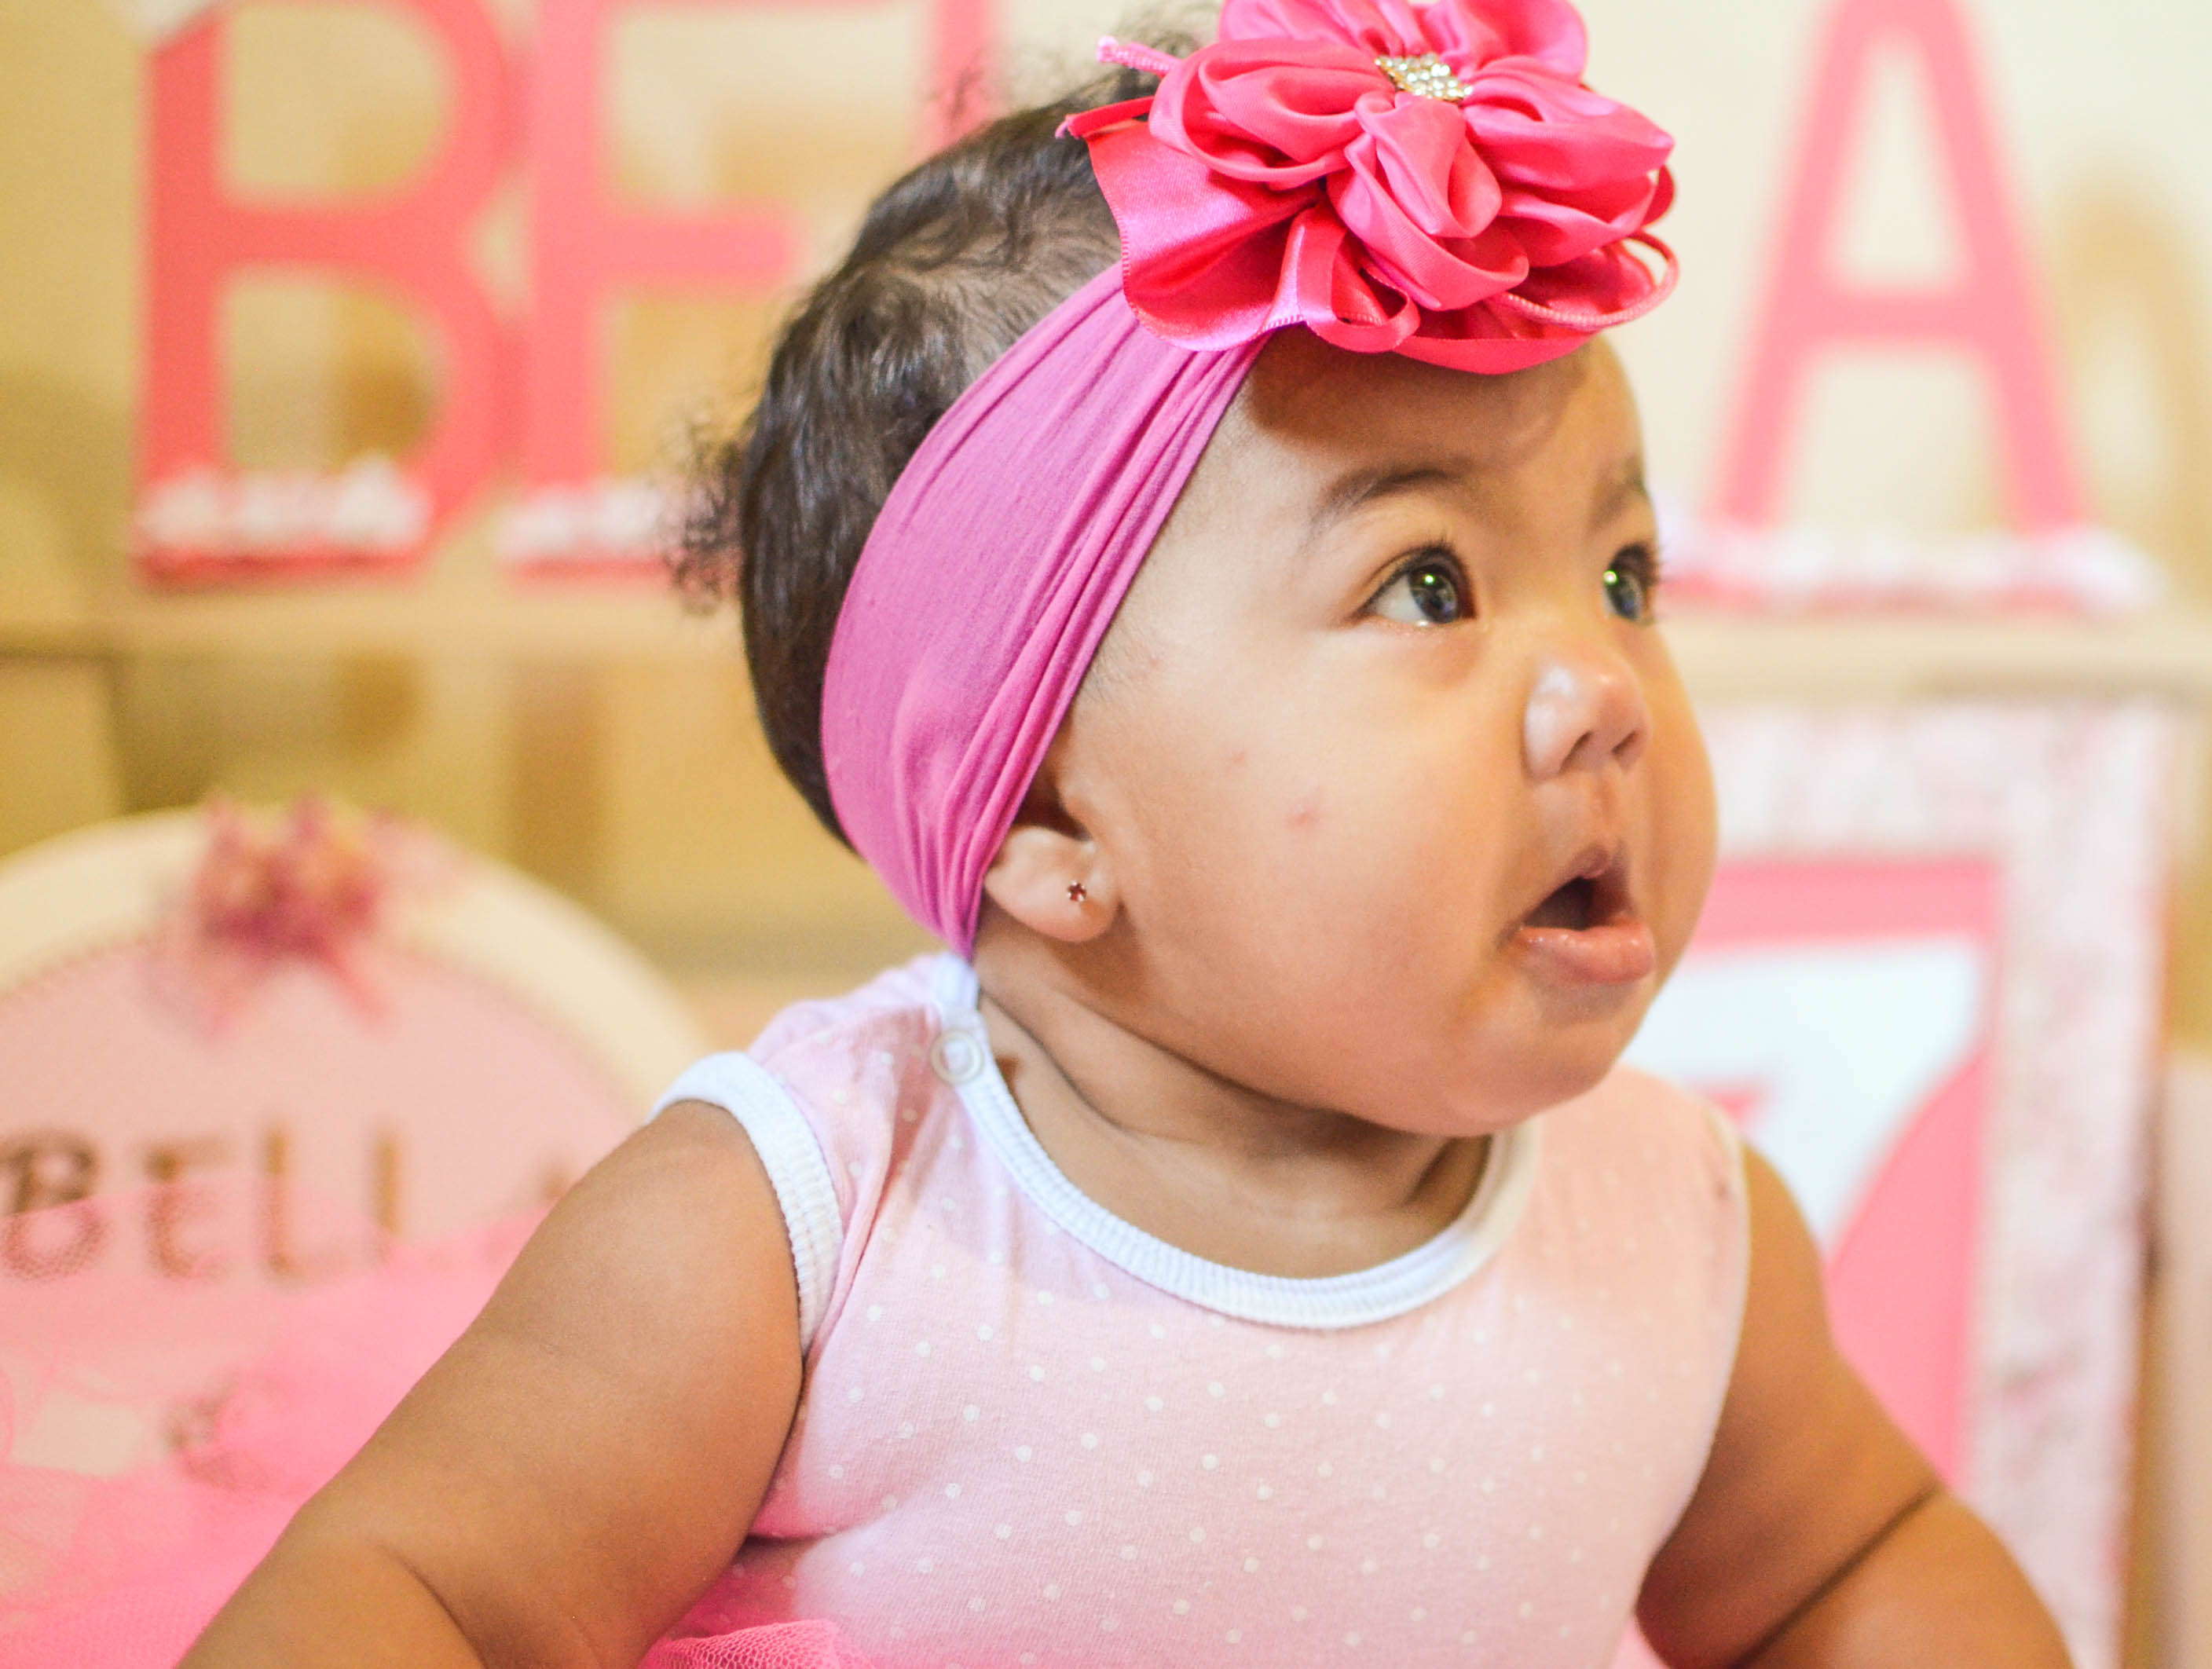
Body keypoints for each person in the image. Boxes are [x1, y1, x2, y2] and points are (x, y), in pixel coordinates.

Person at [185, 0, 2072, 1662]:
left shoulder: (1674, 1223)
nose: (1600, 685)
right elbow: (422, 1592)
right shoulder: (802, 1224)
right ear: (1046, 812)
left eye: (1623, 573)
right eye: (1425, 584)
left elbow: (1850, 1572)